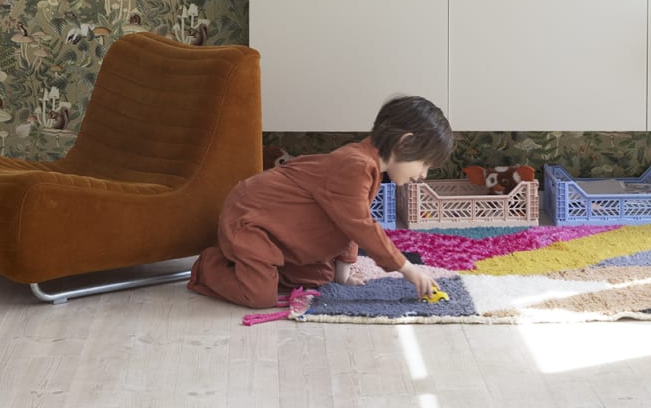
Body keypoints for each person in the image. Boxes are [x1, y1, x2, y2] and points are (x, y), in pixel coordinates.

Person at [188, 94, 453, 308]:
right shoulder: (356, 165)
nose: (423, 175)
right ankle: (208, 267)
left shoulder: (369, 169)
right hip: (250, 220)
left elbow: (348, 223)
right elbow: (360, 226)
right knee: (259, 296)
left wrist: (343, 272)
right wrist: (406, 268)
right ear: (404, 144)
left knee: (320, 277)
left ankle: (262, 266)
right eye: (424, 164)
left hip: (281, 235)